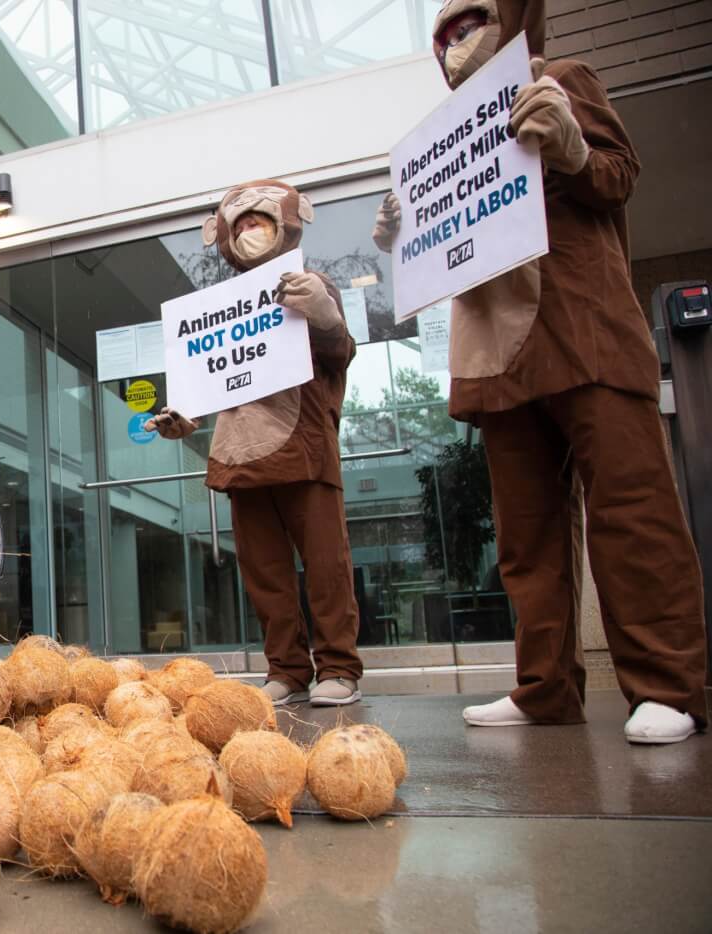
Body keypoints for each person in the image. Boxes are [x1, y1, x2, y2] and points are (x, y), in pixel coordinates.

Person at [373, 0, 707, 743]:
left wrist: (575, 153)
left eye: (473, 23)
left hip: (581, 323)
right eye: (446, 34)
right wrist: (406, 235)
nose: (459, 41)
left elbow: (620, 174)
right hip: (500, 348)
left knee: (631, 507)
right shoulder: (448, 135)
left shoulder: (559, 77)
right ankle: (544, 686)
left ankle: (667, 685)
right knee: (527, 535)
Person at [148, 180, 363, 707]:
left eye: (258, 222)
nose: (248, 231)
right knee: (265, 573)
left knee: (325, 564)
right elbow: (214, 381)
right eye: (239, 224)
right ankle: (286, 669)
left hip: (304, 445)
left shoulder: (312, 284)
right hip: (242, 454)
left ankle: (338, 666)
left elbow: (341, 353)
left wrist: (326, 316)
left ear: (284, 224)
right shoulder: (221, 305)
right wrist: (184, 419)